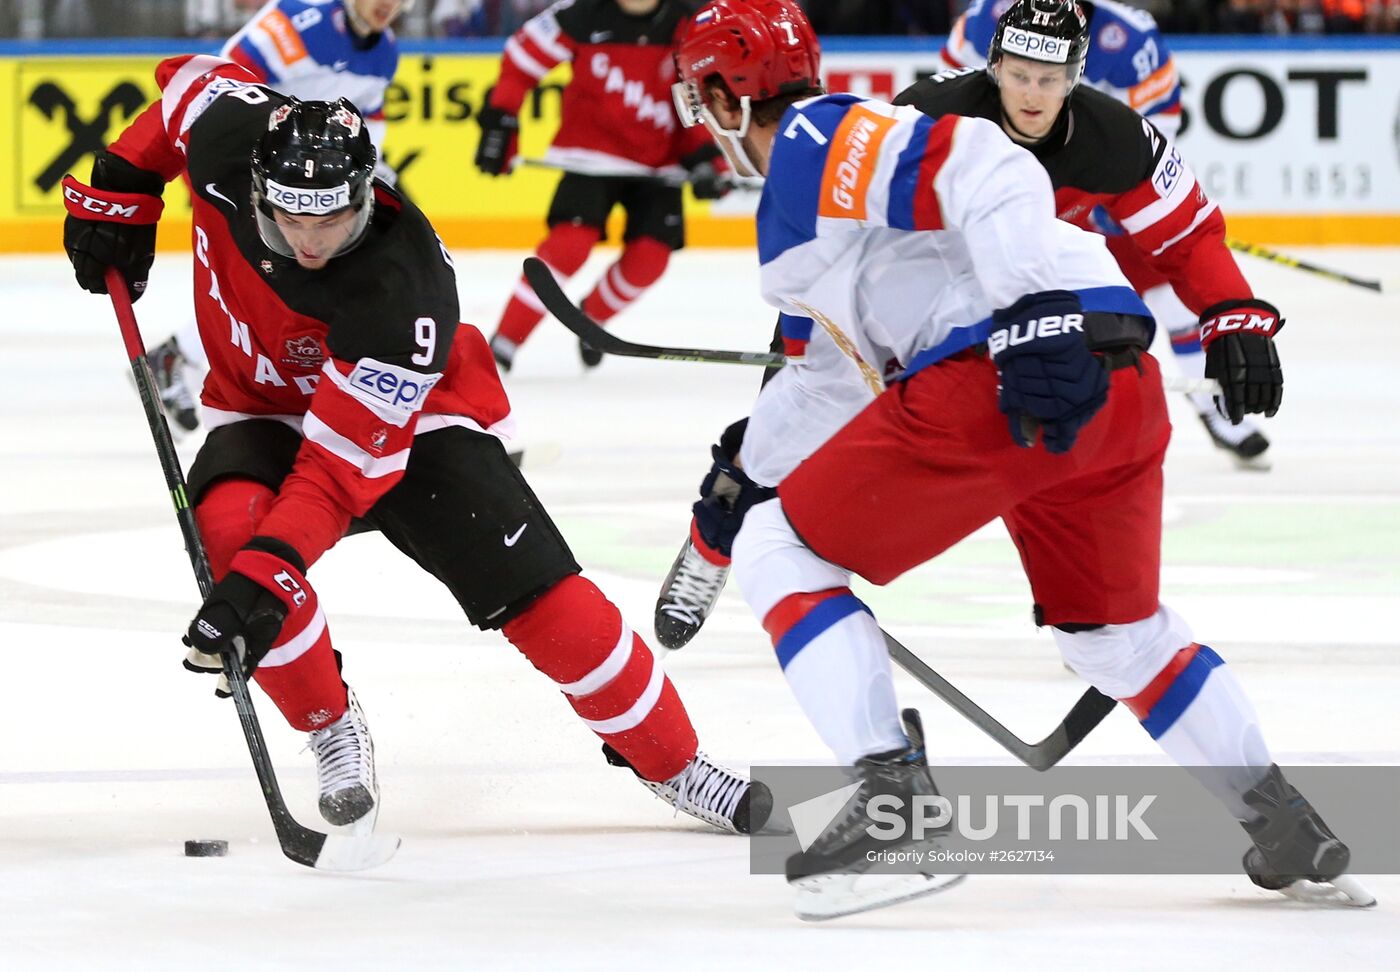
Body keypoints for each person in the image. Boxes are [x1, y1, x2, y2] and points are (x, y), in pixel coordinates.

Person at [670, 0, 1367, 919]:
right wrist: (743, 470)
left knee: (779, 552)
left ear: (726, 89)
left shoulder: (812, 134)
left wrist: (1025, 314)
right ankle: (1282, 821)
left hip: (1006, 379)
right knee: (1117, 636)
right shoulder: (820, 193)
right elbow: (827, 384)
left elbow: (990, 166)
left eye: (701, 92)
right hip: (1119, 387)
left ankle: (892, 806)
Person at [61, 54, 768, 837]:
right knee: (230, 531)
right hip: (258, 406)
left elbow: (333, 478)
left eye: (331, 220)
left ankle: (676, 763)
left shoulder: (405, 296)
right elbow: (183, 87)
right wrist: (121, 187)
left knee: (546, 600)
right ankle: (331, 723)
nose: (308, 244)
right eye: (288, 219)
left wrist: (268, 582)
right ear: (257, 189)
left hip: (412, 416)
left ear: (367, 195)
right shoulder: (227, 134)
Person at [652, 0, 1284, 651]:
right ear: (992, 64)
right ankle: (715, 538)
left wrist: (1234, 318)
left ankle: (1090, 608)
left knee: (1037, 442)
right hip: (933, 307)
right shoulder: (928, 108)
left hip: (1037, 298)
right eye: (1017, 73)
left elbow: (1186, 236)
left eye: (1049, 77)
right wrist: (802, 344)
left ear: (1076, 76)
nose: (1031, 94)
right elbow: (841, 245)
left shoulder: (1118, 136)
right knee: (782, 425)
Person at [940, 0, 1271, 469]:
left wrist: (1101, 200)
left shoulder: (1131, 37)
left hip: (1092, 190)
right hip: (999, 191)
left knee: (1171, 293)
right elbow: (956, 100)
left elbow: (1151, 133)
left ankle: (1220, 412)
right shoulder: (981, 19)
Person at [147, 0, 408, 436]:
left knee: (292, 285)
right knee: (275, 287)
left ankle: (178, 356)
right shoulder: (297, 22)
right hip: (241, 171)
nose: (387, 4)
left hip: (309, 189)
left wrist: (370, 169)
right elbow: (219, 87)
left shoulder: (386, 51)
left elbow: (368, 115)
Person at [474, 0, 729, 372]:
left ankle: (591, 318)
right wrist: (501, 120)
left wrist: (708, 160)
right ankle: (505, 340)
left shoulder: (688, 24)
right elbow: (521, 58)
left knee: (650, 259)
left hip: (657, 167)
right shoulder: (579, 12)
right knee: (569, 246)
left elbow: (697, 100)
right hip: (589, 159)